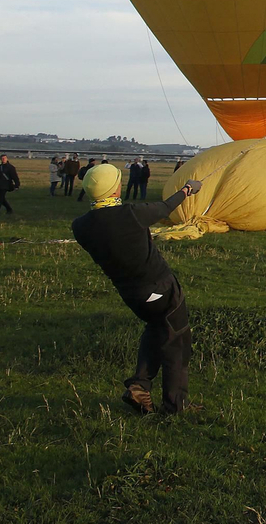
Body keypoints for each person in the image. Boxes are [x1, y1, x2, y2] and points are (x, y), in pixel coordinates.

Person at [72, 162, 201, 415]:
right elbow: (164, 208)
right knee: (177, 341)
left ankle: (139, 387)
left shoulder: (80, 226)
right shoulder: (130, 214)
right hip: (160, 288)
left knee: (155, 327)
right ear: (114, 189)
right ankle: (176, 406)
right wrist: (188, 189)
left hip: (131, 294)